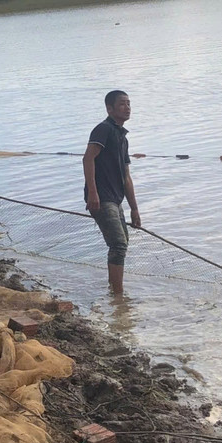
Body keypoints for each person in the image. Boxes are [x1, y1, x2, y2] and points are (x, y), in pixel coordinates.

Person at [83, 89, 141, 294]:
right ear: (110, 109)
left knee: (122, 242)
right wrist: (93, 192)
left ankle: (113, 289)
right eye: (122, 104)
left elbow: (126, 177)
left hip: (115, 199)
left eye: (129, 103)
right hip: (101, 197)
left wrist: (134, 209)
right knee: (118, 244)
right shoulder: (103, 129)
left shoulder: (122, 137)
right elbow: (88, 158)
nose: (127, 108)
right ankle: (118, 294)